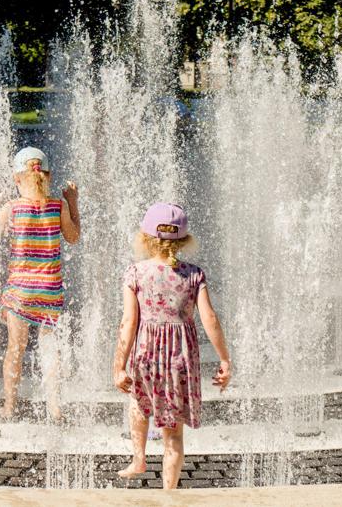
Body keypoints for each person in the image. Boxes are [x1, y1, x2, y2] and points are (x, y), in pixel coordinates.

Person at [112, 202, 231, 489]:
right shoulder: (194, 274)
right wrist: (225, 359)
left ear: (145, 237)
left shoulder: (136, 273)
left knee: (138, 405)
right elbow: (210, 319)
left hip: (146, 355)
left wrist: (119, 365)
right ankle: (169, 493)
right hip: (181, 359)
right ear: (184, 239)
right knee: (173, 436)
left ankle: (138, 457)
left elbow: (128, 322)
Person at [0, 147, 80, 421]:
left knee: (15, 349)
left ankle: (10, 407)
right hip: (50, 291)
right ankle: (55, 409)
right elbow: (73, 237)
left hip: (20, 293)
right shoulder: (59, 206)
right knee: (50, 350)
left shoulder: (12, 208)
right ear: (48, 176)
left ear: (16, 178)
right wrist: (73, 201)